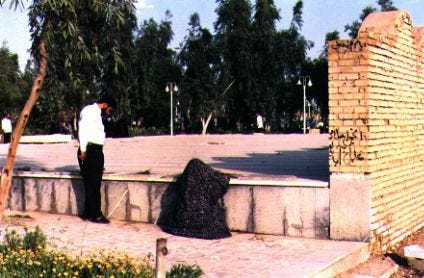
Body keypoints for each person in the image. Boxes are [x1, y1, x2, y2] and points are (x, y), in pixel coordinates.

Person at [77, 96, 116, 223]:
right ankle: (96, 215)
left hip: (96, 151)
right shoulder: (90, 111)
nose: (109, 113)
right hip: (89, 150)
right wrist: (83, 149)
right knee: (93, 184)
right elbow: (82, 130)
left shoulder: (96, 114)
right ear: (105, 105)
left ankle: (88, 212)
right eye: (110, 110)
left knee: (91, 183)